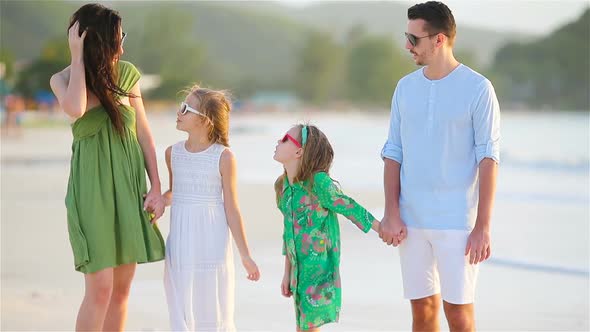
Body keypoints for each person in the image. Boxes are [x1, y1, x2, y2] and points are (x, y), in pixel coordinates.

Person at [379, 2, 501, 331]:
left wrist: (483, 226)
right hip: (411, 219)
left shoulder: (478, 89)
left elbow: (488, 159)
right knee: (422, 311)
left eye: (413, 38)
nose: (407, 45)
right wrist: (392, 212)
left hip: (458, 222)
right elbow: (393, 153)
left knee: (459, 316)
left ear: (439, 39)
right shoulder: (405, 88)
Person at [49, 4, 166, 331]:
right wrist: (77, 57)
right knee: (99, 288)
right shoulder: (63, 79)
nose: (123, 46)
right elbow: (77, 107)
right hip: (92, 189)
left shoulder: (127, 74)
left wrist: (156, 187)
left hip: (129, 186)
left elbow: (144, 133)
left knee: (122, 289)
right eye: (117, 38)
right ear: (97, 40)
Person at [162, 85, 260, 331]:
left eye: (186, 108)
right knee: (181, 307)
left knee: (212, 306)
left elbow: (232, 209)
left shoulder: (224, 157)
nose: (179, 112)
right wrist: (160, 200)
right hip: (181, 242)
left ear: (205, 121)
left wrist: (245, 255)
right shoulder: (171, 153)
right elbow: (175, 192)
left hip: (212, 243)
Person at [273, 124, 380, 331]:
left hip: (320, 269)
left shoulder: (318, 183)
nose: (279, 141)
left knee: (309, 328)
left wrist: (382, 227)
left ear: (299, 151)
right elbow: (288, 232)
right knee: (302, 327)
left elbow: (349, 206)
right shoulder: (283, 186)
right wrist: (287, 273)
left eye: (285, 138)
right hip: (298, 271)